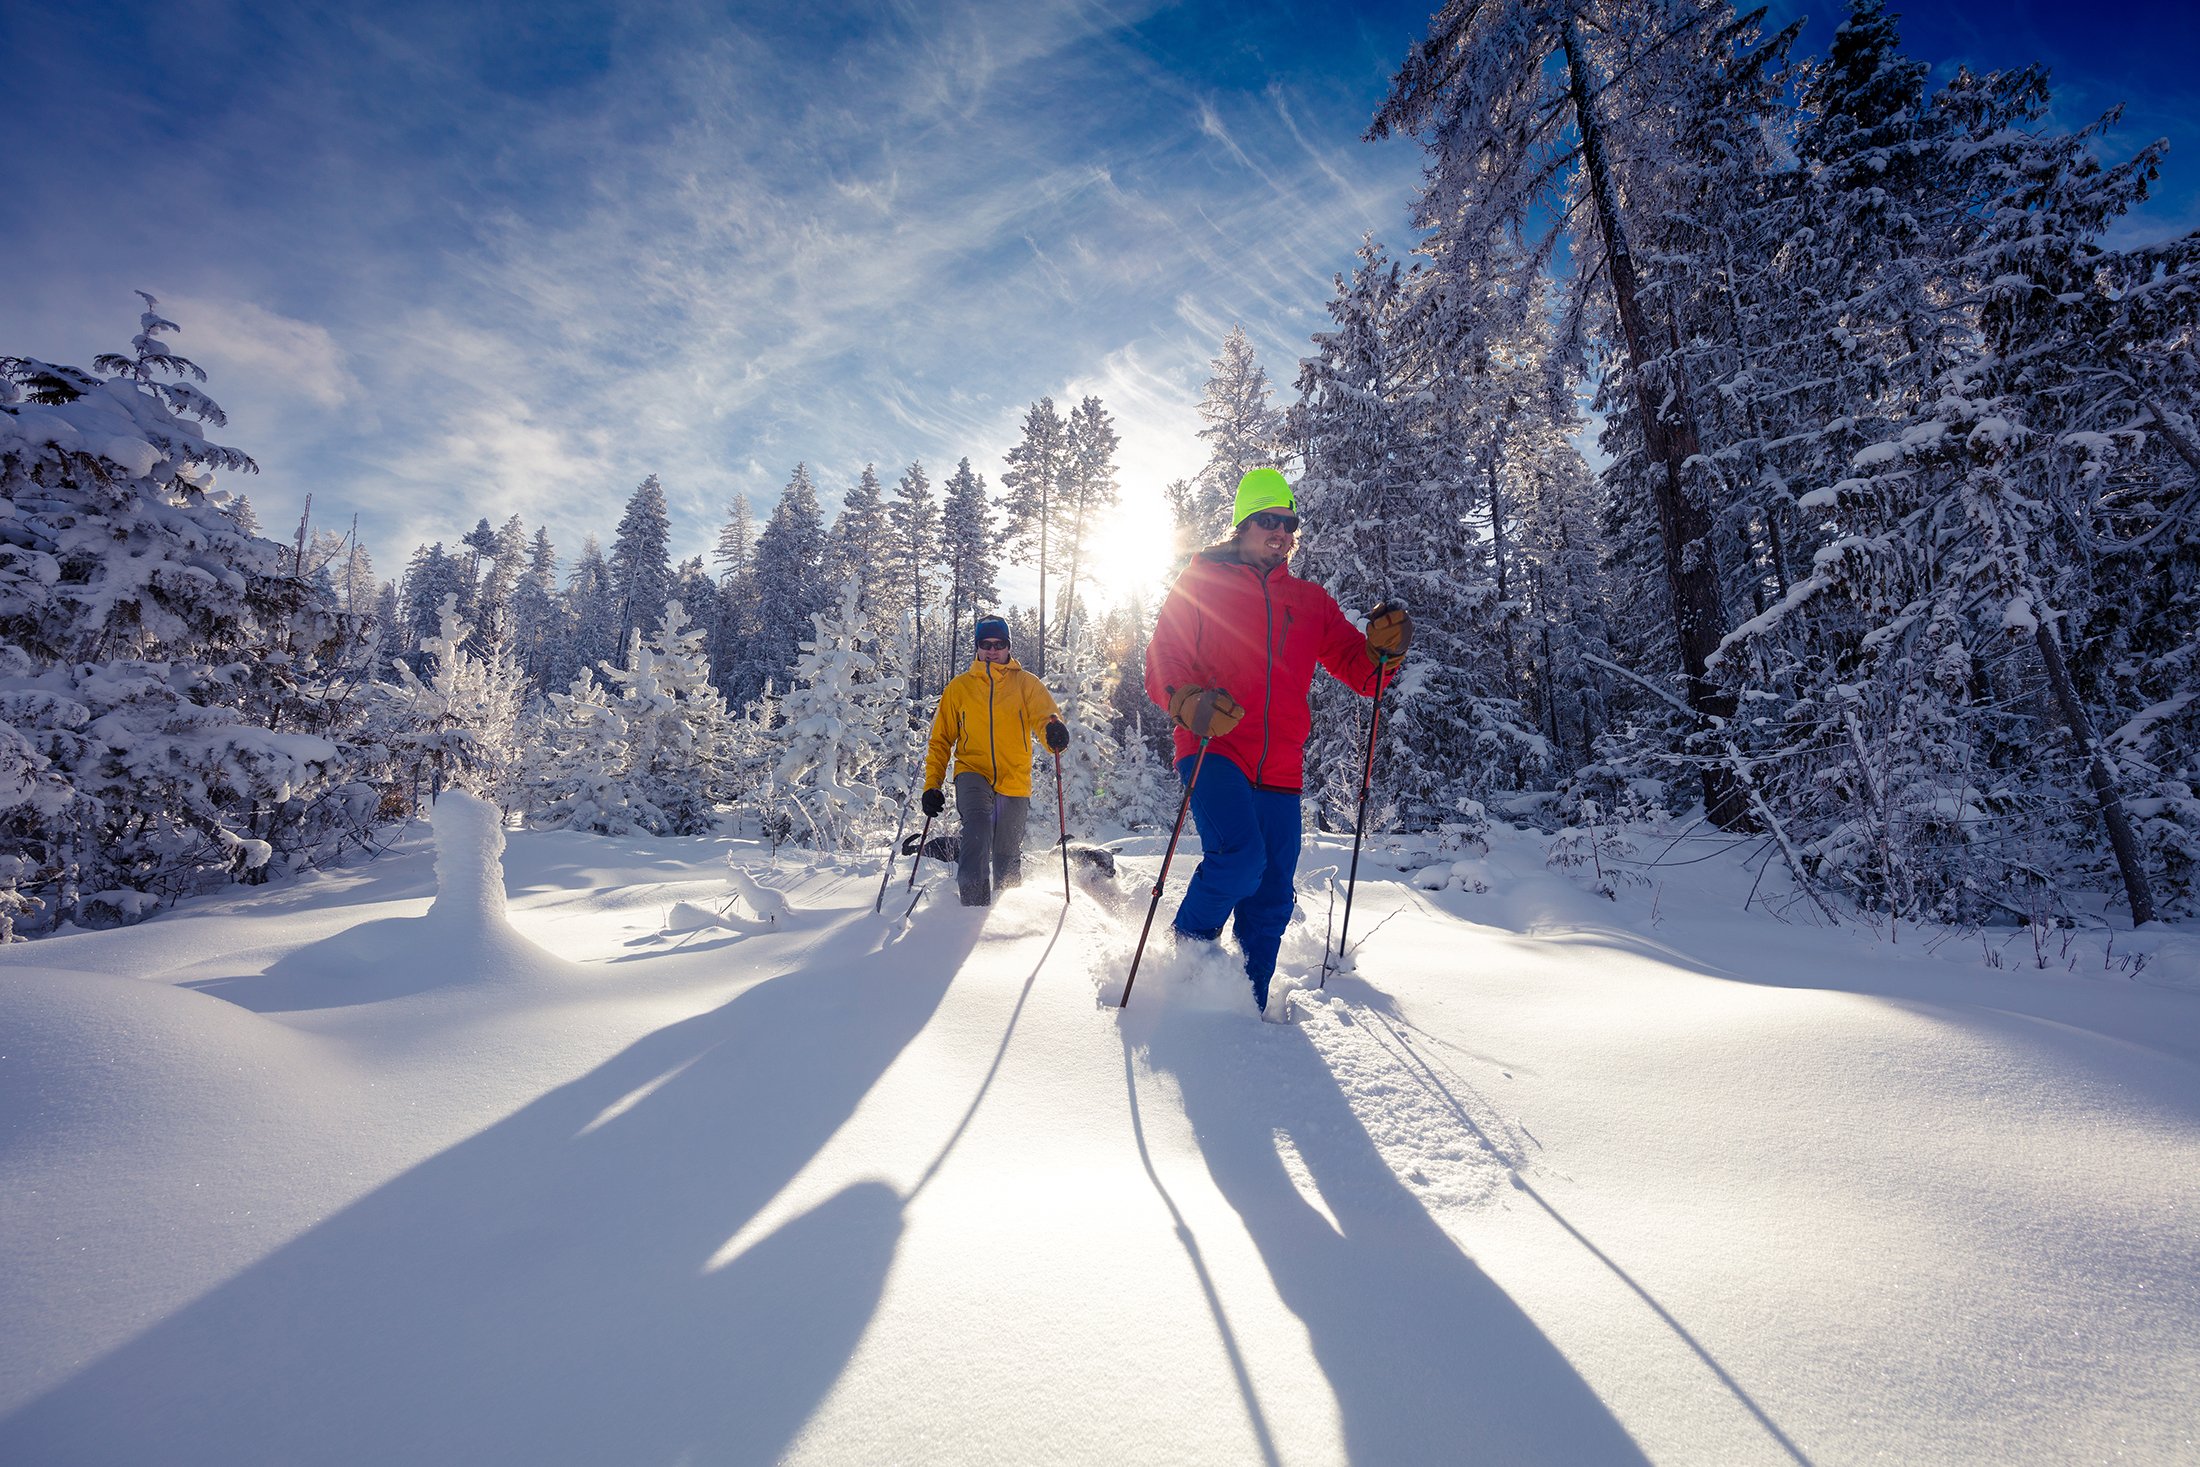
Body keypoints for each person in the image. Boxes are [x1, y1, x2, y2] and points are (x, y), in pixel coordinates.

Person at [1143, 467, 1411, 1015]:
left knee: (1271, 897)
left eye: (1290, 524)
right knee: (1240, 860)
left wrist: (1385, 651)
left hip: (1282, 765)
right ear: (1242, 525)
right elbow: (1162, 661)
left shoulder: (1309, 601)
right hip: (1214, 747)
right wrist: (1186, 700)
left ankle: (1251, 1007)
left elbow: (1362, 674)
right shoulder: (1200, 584)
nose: (1282, 532)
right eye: (1270, 520)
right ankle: (1186, 959)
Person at [923, 615, 1071, 907]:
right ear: (977, 647)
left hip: (1014, 777)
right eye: (985, 644)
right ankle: (972, 907)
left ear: (1008, 647)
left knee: (1006, 852)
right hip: (971, 770)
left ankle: (1007, 914)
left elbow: (1046, 716)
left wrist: (1053, 731)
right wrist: (932, 785)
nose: (992, 650)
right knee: (976, 827)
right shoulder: (959, 688)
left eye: (999, 644)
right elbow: (941, 740)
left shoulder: (1027, 684)